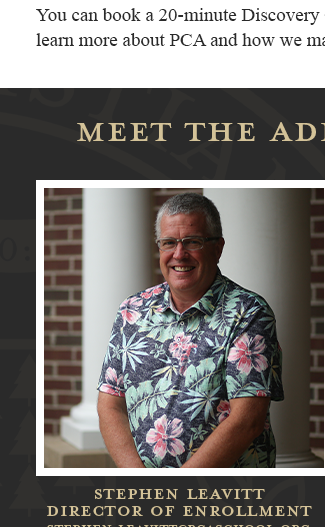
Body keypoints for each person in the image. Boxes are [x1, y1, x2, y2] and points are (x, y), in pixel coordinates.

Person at [96, 192, 283, 469]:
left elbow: (247, 421)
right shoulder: (132, 311)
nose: (179, 254)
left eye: (192, 242)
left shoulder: (248, 313)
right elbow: (110, 404)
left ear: (217, 248)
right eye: (169, 242)